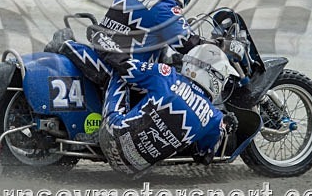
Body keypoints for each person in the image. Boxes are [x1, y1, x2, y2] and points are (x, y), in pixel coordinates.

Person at [99, 44, 239, 176]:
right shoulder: (215, 118)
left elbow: (126, 66)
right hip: (133, 170)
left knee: (119, 75)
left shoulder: (168, 76)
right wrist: (224, 128)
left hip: (109, 138)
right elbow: (203, 156)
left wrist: (103, 43)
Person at [89, 0, 212, 87]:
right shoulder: (163, 6)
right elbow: (189, 45)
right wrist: (220, 47)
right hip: (128, 77)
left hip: (108, 58)